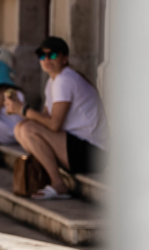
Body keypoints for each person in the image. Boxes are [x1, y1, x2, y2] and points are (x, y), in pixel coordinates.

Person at [6, 36, 109, 200]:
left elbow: (54, 124)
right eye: (42, 56)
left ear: (65, 58)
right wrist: (19, 108)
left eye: (52, 55)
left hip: (92, 153)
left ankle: (58, 183)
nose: (47, 59)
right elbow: (44, 118)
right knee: (21, 128)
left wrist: (23, 109)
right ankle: (51, 178)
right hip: (76, 147)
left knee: (27, 128)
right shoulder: (53, 81)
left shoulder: (65, 79)